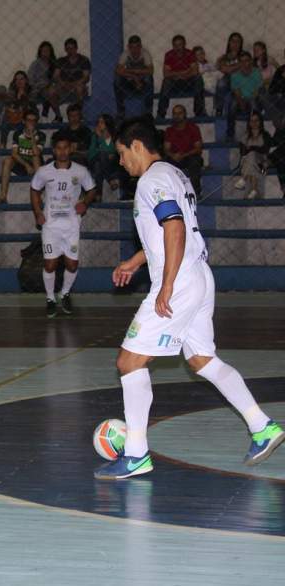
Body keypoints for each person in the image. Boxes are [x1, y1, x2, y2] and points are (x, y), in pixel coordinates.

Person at [94, 117, 284, 480]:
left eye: (121, 153)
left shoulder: (151, 179)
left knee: (129, 362)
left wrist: (165, 286)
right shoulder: (173, 174)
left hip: (179, 282)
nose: (120, 162)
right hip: (198, 275)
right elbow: (169, 233)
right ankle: (262, 427)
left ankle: (135, 455)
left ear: (136, 146)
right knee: (201, 359)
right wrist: (136, 260)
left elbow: (175, 228)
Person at [30, 135, 96, 318]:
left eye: (65, 147)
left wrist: (86, 202)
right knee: (50, 264)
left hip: (72, 225)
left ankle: (64, 293)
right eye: (58, 148)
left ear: (71, 149)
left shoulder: (81, 171)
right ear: (54, 150)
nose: (62, 151)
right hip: (51, 226)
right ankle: (50, 298)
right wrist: (37, 213)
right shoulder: (44, 172)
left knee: (72, 264)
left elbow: (91, 189)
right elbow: (34, 190)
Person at [0, 109, 45, 204]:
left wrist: (33, 136)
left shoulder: (41, 135)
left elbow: (36, 152)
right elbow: (14, 153)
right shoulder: (18, 134)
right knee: (8, 160)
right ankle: (3, 196)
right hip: (23, 164)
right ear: (24, 121)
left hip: (36, 165)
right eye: (29, 120)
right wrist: (26, 165)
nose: (31, 123)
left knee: (35, 157)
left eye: (34, 120)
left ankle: (38, 196)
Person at [158, 35, 206, 119]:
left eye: (180, 44)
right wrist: (182, 73)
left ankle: (199, 112)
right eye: (175, 45)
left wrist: (184, 75)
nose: (177, 47)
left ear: (184, 44)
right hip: (174, 83)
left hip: (188, 82)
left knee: (198, 78)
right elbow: (166, 74)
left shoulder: (190, 53)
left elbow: (195, 71)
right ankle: (161, 114)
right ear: (172, 46)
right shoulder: (169, 54)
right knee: (166, 81)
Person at [163, 105, 204, 197]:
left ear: (185, 114)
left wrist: (183, 155)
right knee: (164, 163)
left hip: (189, 156)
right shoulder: (169, 130)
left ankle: (195, 193)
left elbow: (198, 148)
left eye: (180, 113)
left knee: (195, 161)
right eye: (175, 114)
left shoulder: (193, 128)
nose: (177, 116)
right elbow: (166, 149)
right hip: (175, 157)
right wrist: (173, 155)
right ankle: (170, 194)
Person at [114, 35, 155, 118]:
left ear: (141, 46)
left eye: (137, 47)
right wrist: (134, 77)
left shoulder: (145, 53)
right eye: (132, 47)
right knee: (117, 79)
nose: (135, 50)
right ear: (128, 47)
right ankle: (121, 110)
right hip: (130, 81)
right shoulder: (125, 54)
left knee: (149, 78)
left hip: (142, 81)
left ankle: (148, 111)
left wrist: (134, 72)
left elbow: (151, 71)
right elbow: (117, 70)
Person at [235, 111, 272, 199]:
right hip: (247, 164)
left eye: (256, 120)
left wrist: (252, 148)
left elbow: (265, 150)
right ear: (249, 123)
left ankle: (244, 179)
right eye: (252, 121)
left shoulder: (265, 135)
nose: (254, 123)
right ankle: (254, 190)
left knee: (252, 154)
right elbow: (242, 152)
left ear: (260, 122)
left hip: (262, 167)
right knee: (251, 157)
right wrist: (253, 149)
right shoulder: (245, 136)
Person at [226, 51, 262, 141]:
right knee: (232, 105)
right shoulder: (235, 75)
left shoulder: (256, 72)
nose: (244, 63)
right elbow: (236, 92)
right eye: (241, 61)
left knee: (254, 105)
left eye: (246, 60)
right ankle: (230, 133)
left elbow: (257, 91)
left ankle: (252, 132)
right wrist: (241, 102)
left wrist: (250, 99)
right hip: (240, 98)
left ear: (250, 61)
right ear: (239, 62)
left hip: (252, 98)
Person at [53, 38, 91, 113]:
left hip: (78, 85)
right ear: (65, 49)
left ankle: (80, 114)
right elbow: (55, 76)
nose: (70, 51)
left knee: (79, 88)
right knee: (51, 91)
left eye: (72, 48)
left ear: (76, 48)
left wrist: (74, 84)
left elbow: (86, 77)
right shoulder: (60, 61)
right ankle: (58, 116)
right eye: (68, 49)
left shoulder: (84, 60)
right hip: (63, 85)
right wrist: (62, 84)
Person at [88, 113, 120, 198]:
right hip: (94, 160)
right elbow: (91, 154)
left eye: (102, 122)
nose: (99, 124)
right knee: (102, 155)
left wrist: (103, 150)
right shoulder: (95, 136)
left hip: (110, 163)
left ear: (107, 123)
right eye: (98, 122)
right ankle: (110, 180)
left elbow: (114, 151)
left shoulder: (115, 136)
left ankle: (98, 194)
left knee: (99, 165)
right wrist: (100, 138)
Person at [0, 71, 33, 148]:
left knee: (26, 118)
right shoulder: (11, 91)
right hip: (14, 115)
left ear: (26, 80)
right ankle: (3, 143)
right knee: (5, 116)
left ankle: (22, 145)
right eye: (17, 79)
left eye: (21, 79)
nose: (19, 81)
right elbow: (9, 105)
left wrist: (23, 97)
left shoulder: (31, 90)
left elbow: (30, 105)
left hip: (26, 115)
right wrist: (17, 99)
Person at [215, 32, 244, 116]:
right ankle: (218, 109)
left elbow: (244, 67)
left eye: (237, 41)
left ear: (241, 44)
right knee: (220, 83)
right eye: (233, 41)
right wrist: (237, 66)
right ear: (229, 43)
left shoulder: (244, 55)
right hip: (228, 79)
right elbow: (224, 69)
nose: (235, 44)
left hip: (240, 79)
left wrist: (229, 68)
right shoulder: (224, 57)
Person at [28, 41, 58, 120]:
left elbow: (56, 79)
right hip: (37, 88)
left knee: (50, 91)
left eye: (47, 51)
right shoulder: (35, 64)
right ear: (40, 52)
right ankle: (42, 115)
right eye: (43, 51)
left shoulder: (54, 64)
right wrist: (39, 85)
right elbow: (30, 79)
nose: (45, 53)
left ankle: (56, 115)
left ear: (51, 52)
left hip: (50, 88)